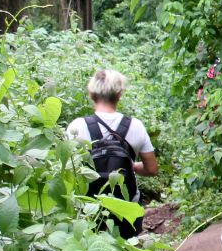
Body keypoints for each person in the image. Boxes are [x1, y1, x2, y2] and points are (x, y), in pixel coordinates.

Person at [66, 69, 159, 238]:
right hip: (127, 207)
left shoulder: (76, 127)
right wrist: (131, 166)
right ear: (119, 94)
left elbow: (68, 171)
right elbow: (151, 169)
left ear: (91, 93)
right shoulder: (135, 126)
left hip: (89, 208)